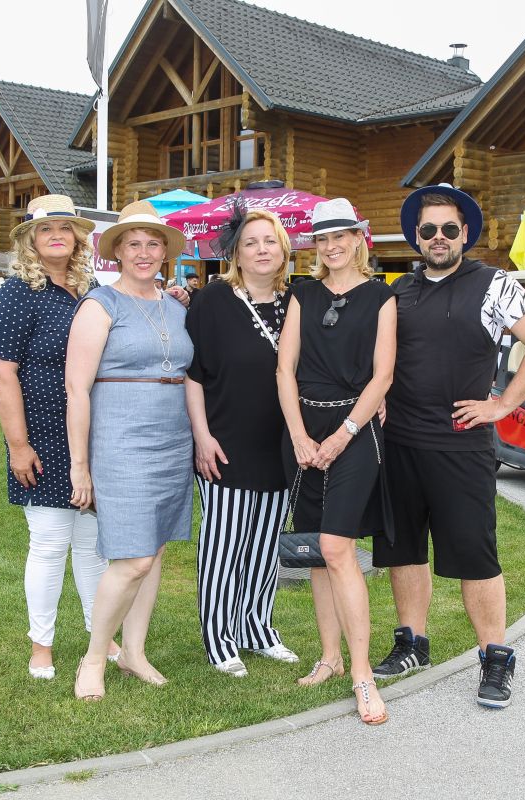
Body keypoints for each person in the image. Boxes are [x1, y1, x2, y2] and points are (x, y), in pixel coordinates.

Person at [372, 184, 525, 709]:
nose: (439, 237)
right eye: (429, 229)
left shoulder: (493, 284)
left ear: (464, 235)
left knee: (475, 556)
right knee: (404, 550)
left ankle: (494, 658)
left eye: (449, 229)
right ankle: (412, 643)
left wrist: (504, 404)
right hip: (400, 443)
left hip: (461, 447)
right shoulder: (398, 291)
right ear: (416, 236)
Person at [0, 194, 119, 680]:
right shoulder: (19, 292)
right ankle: (41, 645)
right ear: (30, 240)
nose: (57, 235)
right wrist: (18, 446)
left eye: (65, 227)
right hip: (40, 434)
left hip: (90, 433)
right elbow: (0, 372)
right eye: (46, 229)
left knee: (91, 544)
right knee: (49, 543)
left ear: (78, 237)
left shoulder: (90, 289)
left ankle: (99, 636)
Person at [277, 197, 396, 725]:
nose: (331, 246)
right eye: (322, 238)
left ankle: (362, 674)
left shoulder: (381, 296)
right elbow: (284, 370)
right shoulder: (302, 294)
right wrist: (299, 436)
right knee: (315, 551)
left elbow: (383, 375)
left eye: (340, 236)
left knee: (336, 547)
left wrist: (345, 433)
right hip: (303, 432)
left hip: (355, 429)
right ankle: (330, 657)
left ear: (358, 239)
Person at [67, 200, 194, 700]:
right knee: (134, 558)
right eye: (133, 244)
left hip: (173, 438)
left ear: (165, 251)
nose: (144, 253)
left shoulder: (176, 307)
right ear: (117, 251)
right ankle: (95, 656)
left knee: (155, 549)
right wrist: (81, 466)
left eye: (153, 244)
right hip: (121, 440)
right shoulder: (100, 305)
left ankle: (135, 653)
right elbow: (77, 389)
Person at [185, 206, 298, 677]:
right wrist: (202, 436)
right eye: (250, 242)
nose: (261, 250)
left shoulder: (296, 302)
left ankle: (257, 627)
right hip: (225, 443)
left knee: (265, 546)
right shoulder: (214, 300)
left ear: (284, 250)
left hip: (280, 447)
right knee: (224, 546)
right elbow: (194, 375)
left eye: (270, 241)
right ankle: (219, 638)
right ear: (236, 253)